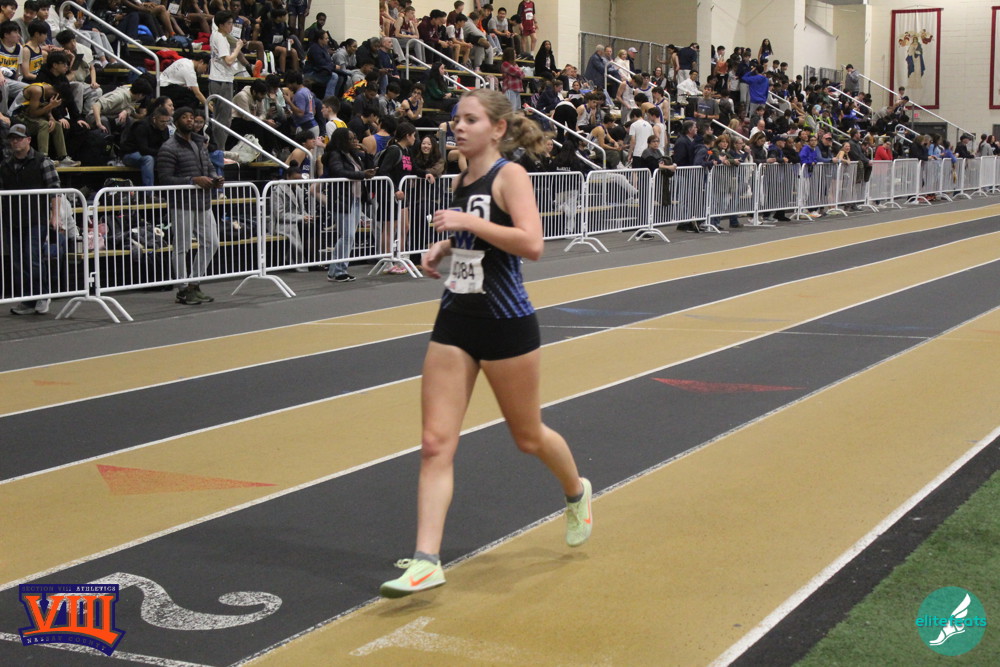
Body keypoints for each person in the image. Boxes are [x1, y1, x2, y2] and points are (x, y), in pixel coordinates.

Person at [379, 89, 592, 599]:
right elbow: (475, 241)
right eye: (456, 119)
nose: (458, 126)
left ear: (497, 129)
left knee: (528, 436)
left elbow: (532, 244)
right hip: (456, 317)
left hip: (505, 321)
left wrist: (468, 224)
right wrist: (445, 246)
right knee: (435, 443)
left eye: (471, 119)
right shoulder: (459, 179)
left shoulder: (509, 175)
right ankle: (427, 561)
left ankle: (576, 491)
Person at [156, 106, 222, 305]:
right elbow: (165, 178)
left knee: (212, 243)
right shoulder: (168, 147)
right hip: (182, 203)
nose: (189, 120)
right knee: (181, 247)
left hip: (203, 201)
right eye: (184, 117)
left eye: (191, 117)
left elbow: (208, 165)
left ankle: (194, 283)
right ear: (176, 122)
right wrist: (192, 180)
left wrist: (215, 178)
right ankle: (183, 289)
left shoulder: (200, 143)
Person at [2, 123, 61, 315]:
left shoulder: (43, 161)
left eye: (19, 138)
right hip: (13, 220)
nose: (15, 142)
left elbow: (55, 190)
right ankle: (28, 300)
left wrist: (55, 216)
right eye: (12, 138)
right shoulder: (5, 165)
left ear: (28, 140)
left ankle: (42, 295)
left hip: (36, 219)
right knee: (18, 261)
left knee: (33, 258)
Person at [323, 126, 375, 283]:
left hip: (356, 199)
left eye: (354, 138)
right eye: (351, 139)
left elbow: (368, 169)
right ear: (342, 141)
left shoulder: (353, 155)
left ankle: (336, 270)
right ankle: (338, 270)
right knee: (347, 235)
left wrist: (368, 154)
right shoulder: (335, 154)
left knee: (349, 236)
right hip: (342, 199)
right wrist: (361, 175)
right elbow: (339, 172)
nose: (354, 141)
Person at [209, 11, 244, 150]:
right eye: (229, 23)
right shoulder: (221, 39)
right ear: (221, 25)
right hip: (222, 80)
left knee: (219, 118)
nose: (231, 26)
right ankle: (220, 150)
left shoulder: (216, 34)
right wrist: (238, 47)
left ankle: (217, 148)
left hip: (216, 79)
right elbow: (229, 61)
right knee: (224, 119)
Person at [119, 104, 170, 186]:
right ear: (154, 119)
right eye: (162, 121)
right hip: (130, 154)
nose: (165, 124)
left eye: (167, 121)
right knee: (148, 159)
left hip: (152, 153)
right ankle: (149, 191)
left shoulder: (164, 128)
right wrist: (161, 153)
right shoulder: (142, 126)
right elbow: (143, 149)